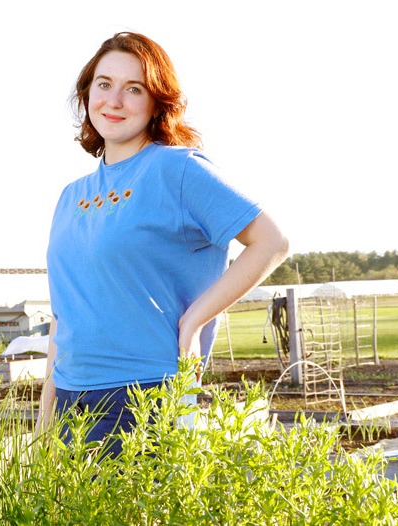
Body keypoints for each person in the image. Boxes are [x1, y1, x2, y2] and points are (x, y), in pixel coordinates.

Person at [35, 32, 290, 457]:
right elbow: (65, 313)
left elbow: (272, 242)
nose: (114, 100)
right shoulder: (70, 195)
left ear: (157, 102)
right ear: (87, 94)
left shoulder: (177, 170)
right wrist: (46, 414)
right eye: (104, 84)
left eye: (133, 89)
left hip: (144, 395)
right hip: (70, 400)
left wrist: (194, 322)